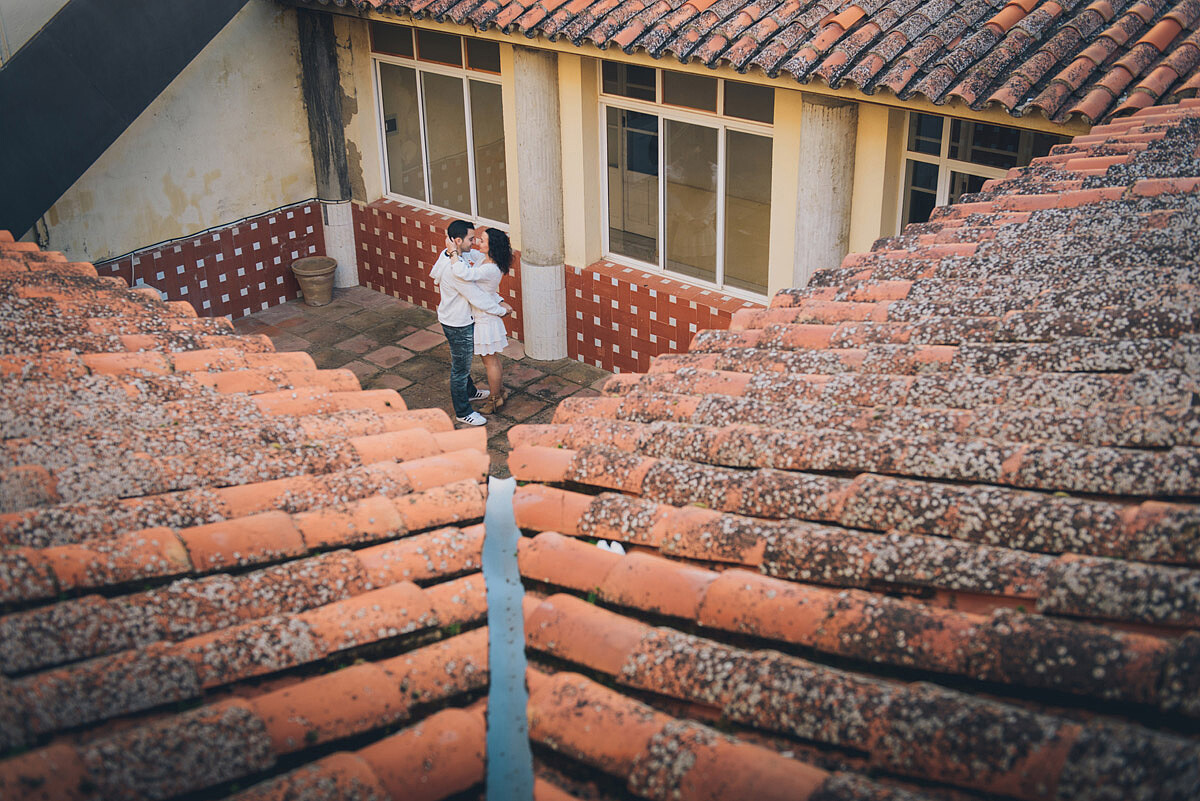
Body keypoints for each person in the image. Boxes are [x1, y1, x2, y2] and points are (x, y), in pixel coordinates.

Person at [430, 220, 512, 426]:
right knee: (460, 369)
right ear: (458, 241)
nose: (474, 242)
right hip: (459, 322)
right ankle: (462, 411)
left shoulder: (459, 256)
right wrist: (500, 308)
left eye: (480, 239)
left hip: (468, 318)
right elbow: (477, 296)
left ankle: (474, 392)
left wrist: (452, 252)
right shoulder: (456, 266)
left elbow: (483, 288)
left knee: (471, 363)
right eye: (471, 239)